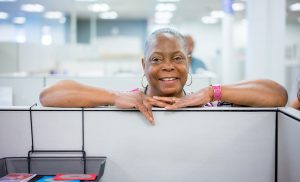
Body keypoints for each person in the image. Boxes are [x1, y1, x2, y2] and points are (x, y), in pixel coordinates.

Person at [40, 28, 288, 125]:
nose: (168, 67)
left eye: (177, 58)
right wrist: (115, 97)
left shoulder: (208, 102)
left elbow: (277, 94)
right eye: (156, 59)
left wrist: (211, 92)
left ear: (188, 62)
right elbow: (49, 95)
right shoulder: (126, 101)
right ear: (143, 65)